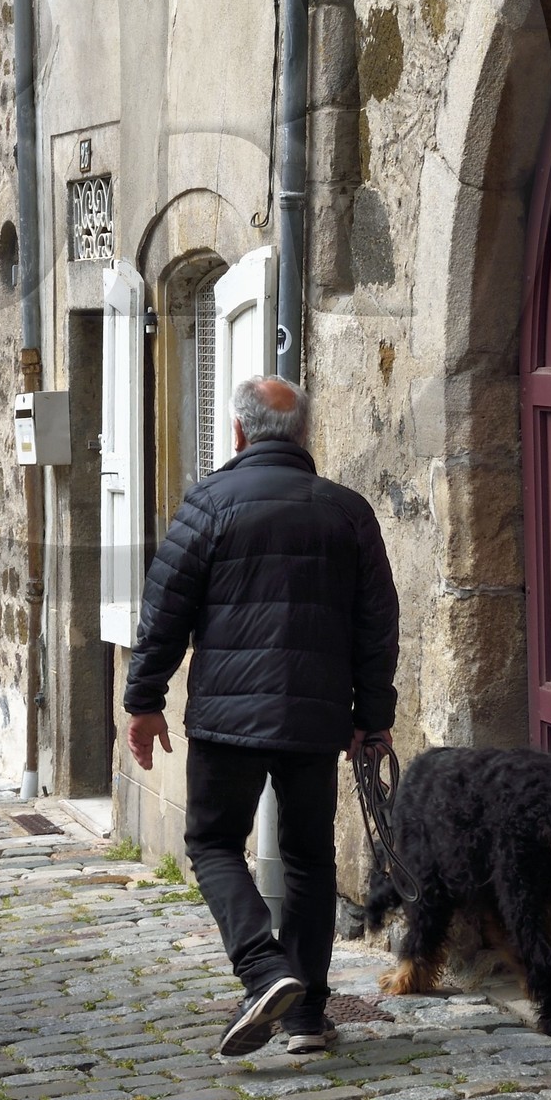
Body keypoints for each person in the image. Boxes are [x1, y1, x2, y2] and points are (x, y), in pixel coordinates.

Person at [123, 375, 399, 1059]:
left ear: (239, 433)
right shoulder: (348, 512)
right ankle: (306, 1017)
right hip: (317, 714)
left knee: (214, 842)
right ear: (305, 434)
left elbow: (164, 613)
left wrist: (144, 700)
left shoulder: (209, 503)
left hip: (226, 715)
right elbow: (377, 625)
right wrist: (375, 715)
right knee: (309, 859)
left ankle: (263, 969)